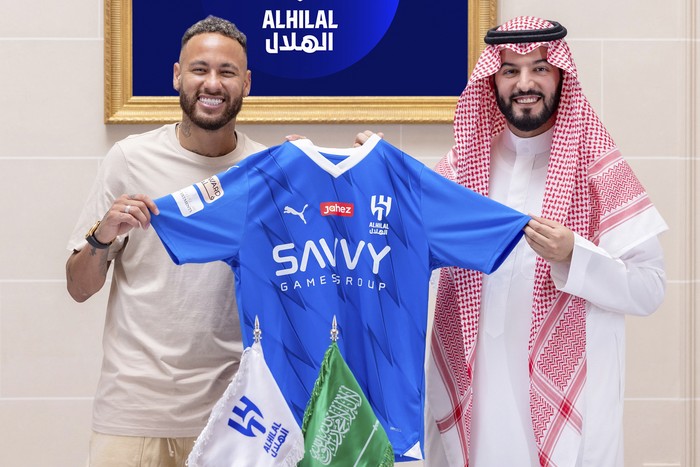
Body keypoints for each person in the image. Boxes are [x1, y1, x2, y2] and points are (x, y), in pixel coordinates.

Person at [65, 15, 360, 467]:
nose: (212, 83)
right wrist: (102, 236)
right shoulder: (129, 159)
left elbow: (321, 275)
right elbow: (78, 287)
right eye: (200, 69)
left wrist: (316, 180)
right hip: (133, 413)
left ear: (246, 83)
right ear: (177, 76)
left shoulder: (270, 171)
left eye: (226, 72)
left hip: (239, 414)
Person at [421, 16, 668, 467]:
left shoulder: (598, 169)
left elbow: (650, 287)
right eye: (510, 70)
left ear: (560, 75)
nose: (525, 83)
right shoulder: (459, 170)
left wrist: (575, 255)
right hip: (472, 401)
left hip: (568, 407)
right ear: (493, 81)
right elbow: (404, 243)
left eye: (539, 67)